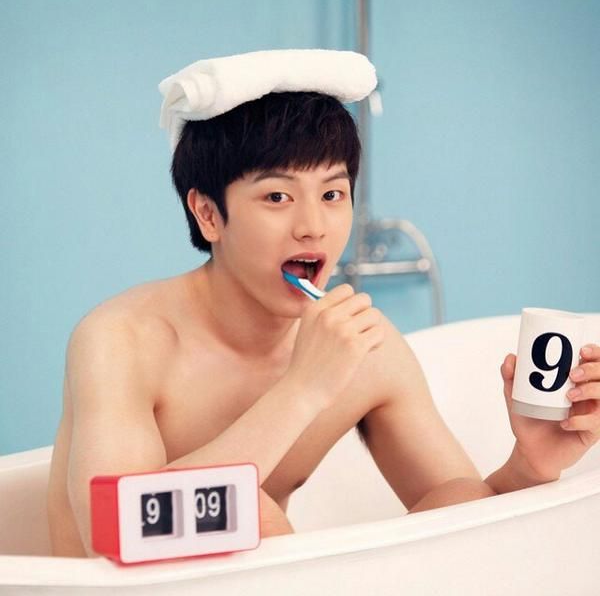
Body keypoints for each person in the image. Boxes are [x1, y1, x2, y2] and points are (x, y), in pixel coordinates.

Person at [46, 50, 600, 558]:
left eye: (333, 194)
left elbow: (458, 527)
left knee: (453, 492)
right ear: (208, 214)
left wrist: (529, 467)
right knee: (247, 510)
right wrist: (304, 387)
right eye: (278, 197)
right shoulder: (122, 339)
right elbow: (112, 532)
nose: (313, 227)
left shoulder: (365, 348)